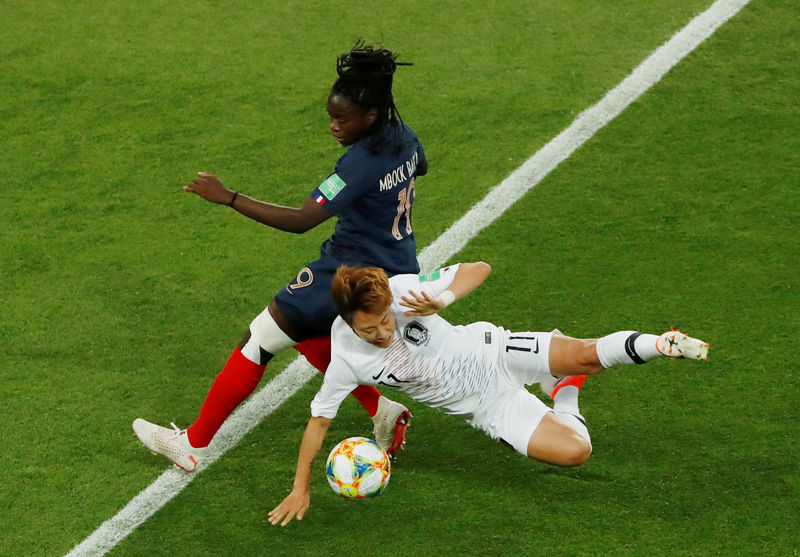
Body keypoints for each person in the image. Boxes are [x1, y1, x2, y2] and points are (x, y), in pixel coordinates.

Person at [133, 42, 428, 472]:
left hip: (348, 272)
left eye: (341, 118)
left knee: (257, 341)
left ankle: (191, 444)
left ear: (369, 116)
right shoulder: (403, 136)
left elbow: (302, 220)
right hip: (397, 266)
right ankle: (382, 411)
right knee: (310, 338)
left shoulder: (360, 163)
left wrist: (228, 197)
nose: (333, 125)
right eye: (331, 116)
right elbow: (420, 167)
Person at [268, 261, 710, 526]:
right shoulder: (346, 357)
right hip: (489, 408)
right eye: (371, 329)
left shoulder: (401, 291)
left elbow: (479, 269)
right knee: (576, 451)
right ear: (347, 321)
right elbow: (320, 421)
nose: (384, 332)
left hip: (495, 352)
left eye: (387, 320)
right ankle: (564, 393)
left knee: (585, 355)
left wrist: (443, 299)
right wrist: (300, 487)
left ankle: (661, 343)